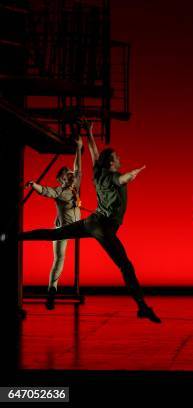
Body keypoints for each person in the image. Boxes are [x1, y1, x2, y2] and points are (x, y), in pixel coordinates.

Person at [13, 120, 161, 323]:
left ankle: (17, 236)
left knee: (54, 234)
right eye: (116, 158)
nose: (119, 159)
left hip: (91, 222)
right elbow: (121, 179)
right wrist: (133, 174)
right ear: (111, 163)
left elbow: (94, 154)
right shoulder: (111, 176)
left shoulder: (97, 173)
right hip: (103, 227)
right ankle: (142, 306)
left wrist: (89, 135)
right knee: (125, 266)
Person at [26, 135, 83, 310]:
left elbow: (78, 167)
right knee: (59, 258)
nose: (71, 174)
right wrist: (34, 185)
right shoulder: (59, 191)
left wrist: (79, 149)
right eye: (67, 174)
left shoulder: (76, 187)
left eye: (70, 173)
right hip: (63, 229)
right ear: (62, 180)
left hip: (77, 227)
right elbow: (46, 191)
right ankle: (52, 289)